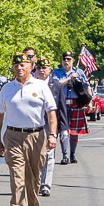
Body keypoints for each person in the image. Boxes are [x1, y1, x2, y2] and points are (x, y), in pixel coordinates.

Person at [0, 53, 57, 206]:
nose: (19, 68)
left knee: (34, 176)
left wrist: (52, 134)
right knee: (17, 175)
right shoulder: (7, 89)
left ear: (31, 67)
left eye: (23, 66)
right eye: (16, 66)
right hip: (13, 136)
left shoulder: (41, 86)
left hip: (36, 136)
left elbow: (51, 112)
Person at [34, 58, 66, 197]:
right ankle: (35, 183)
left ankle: (45, 185)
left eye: (44, 68)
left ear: (49, 70)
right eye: (39, 68)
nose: (41, 70)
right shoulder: (31, 84)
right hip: (34, 125)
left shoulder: (57, 86)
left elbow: (61, 107)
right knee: (35, 157)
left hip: (50, 127)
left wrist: (64, 128)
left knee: (49, 156)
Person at [51, 51, 91, 164]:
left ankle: (72, 154)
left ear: (72, 60)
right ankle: (65, 155)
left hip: (75, 103)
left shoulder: (79, 72)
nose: (66, 61)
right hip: (61, 103)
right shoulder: (56, 72)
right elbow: (56, 85)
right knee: (63, 130)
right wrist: (69, 78)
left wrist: (90, 101)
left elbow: (87, 87)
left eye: (68, 59)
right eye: (64, 59)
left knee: (74, 132)